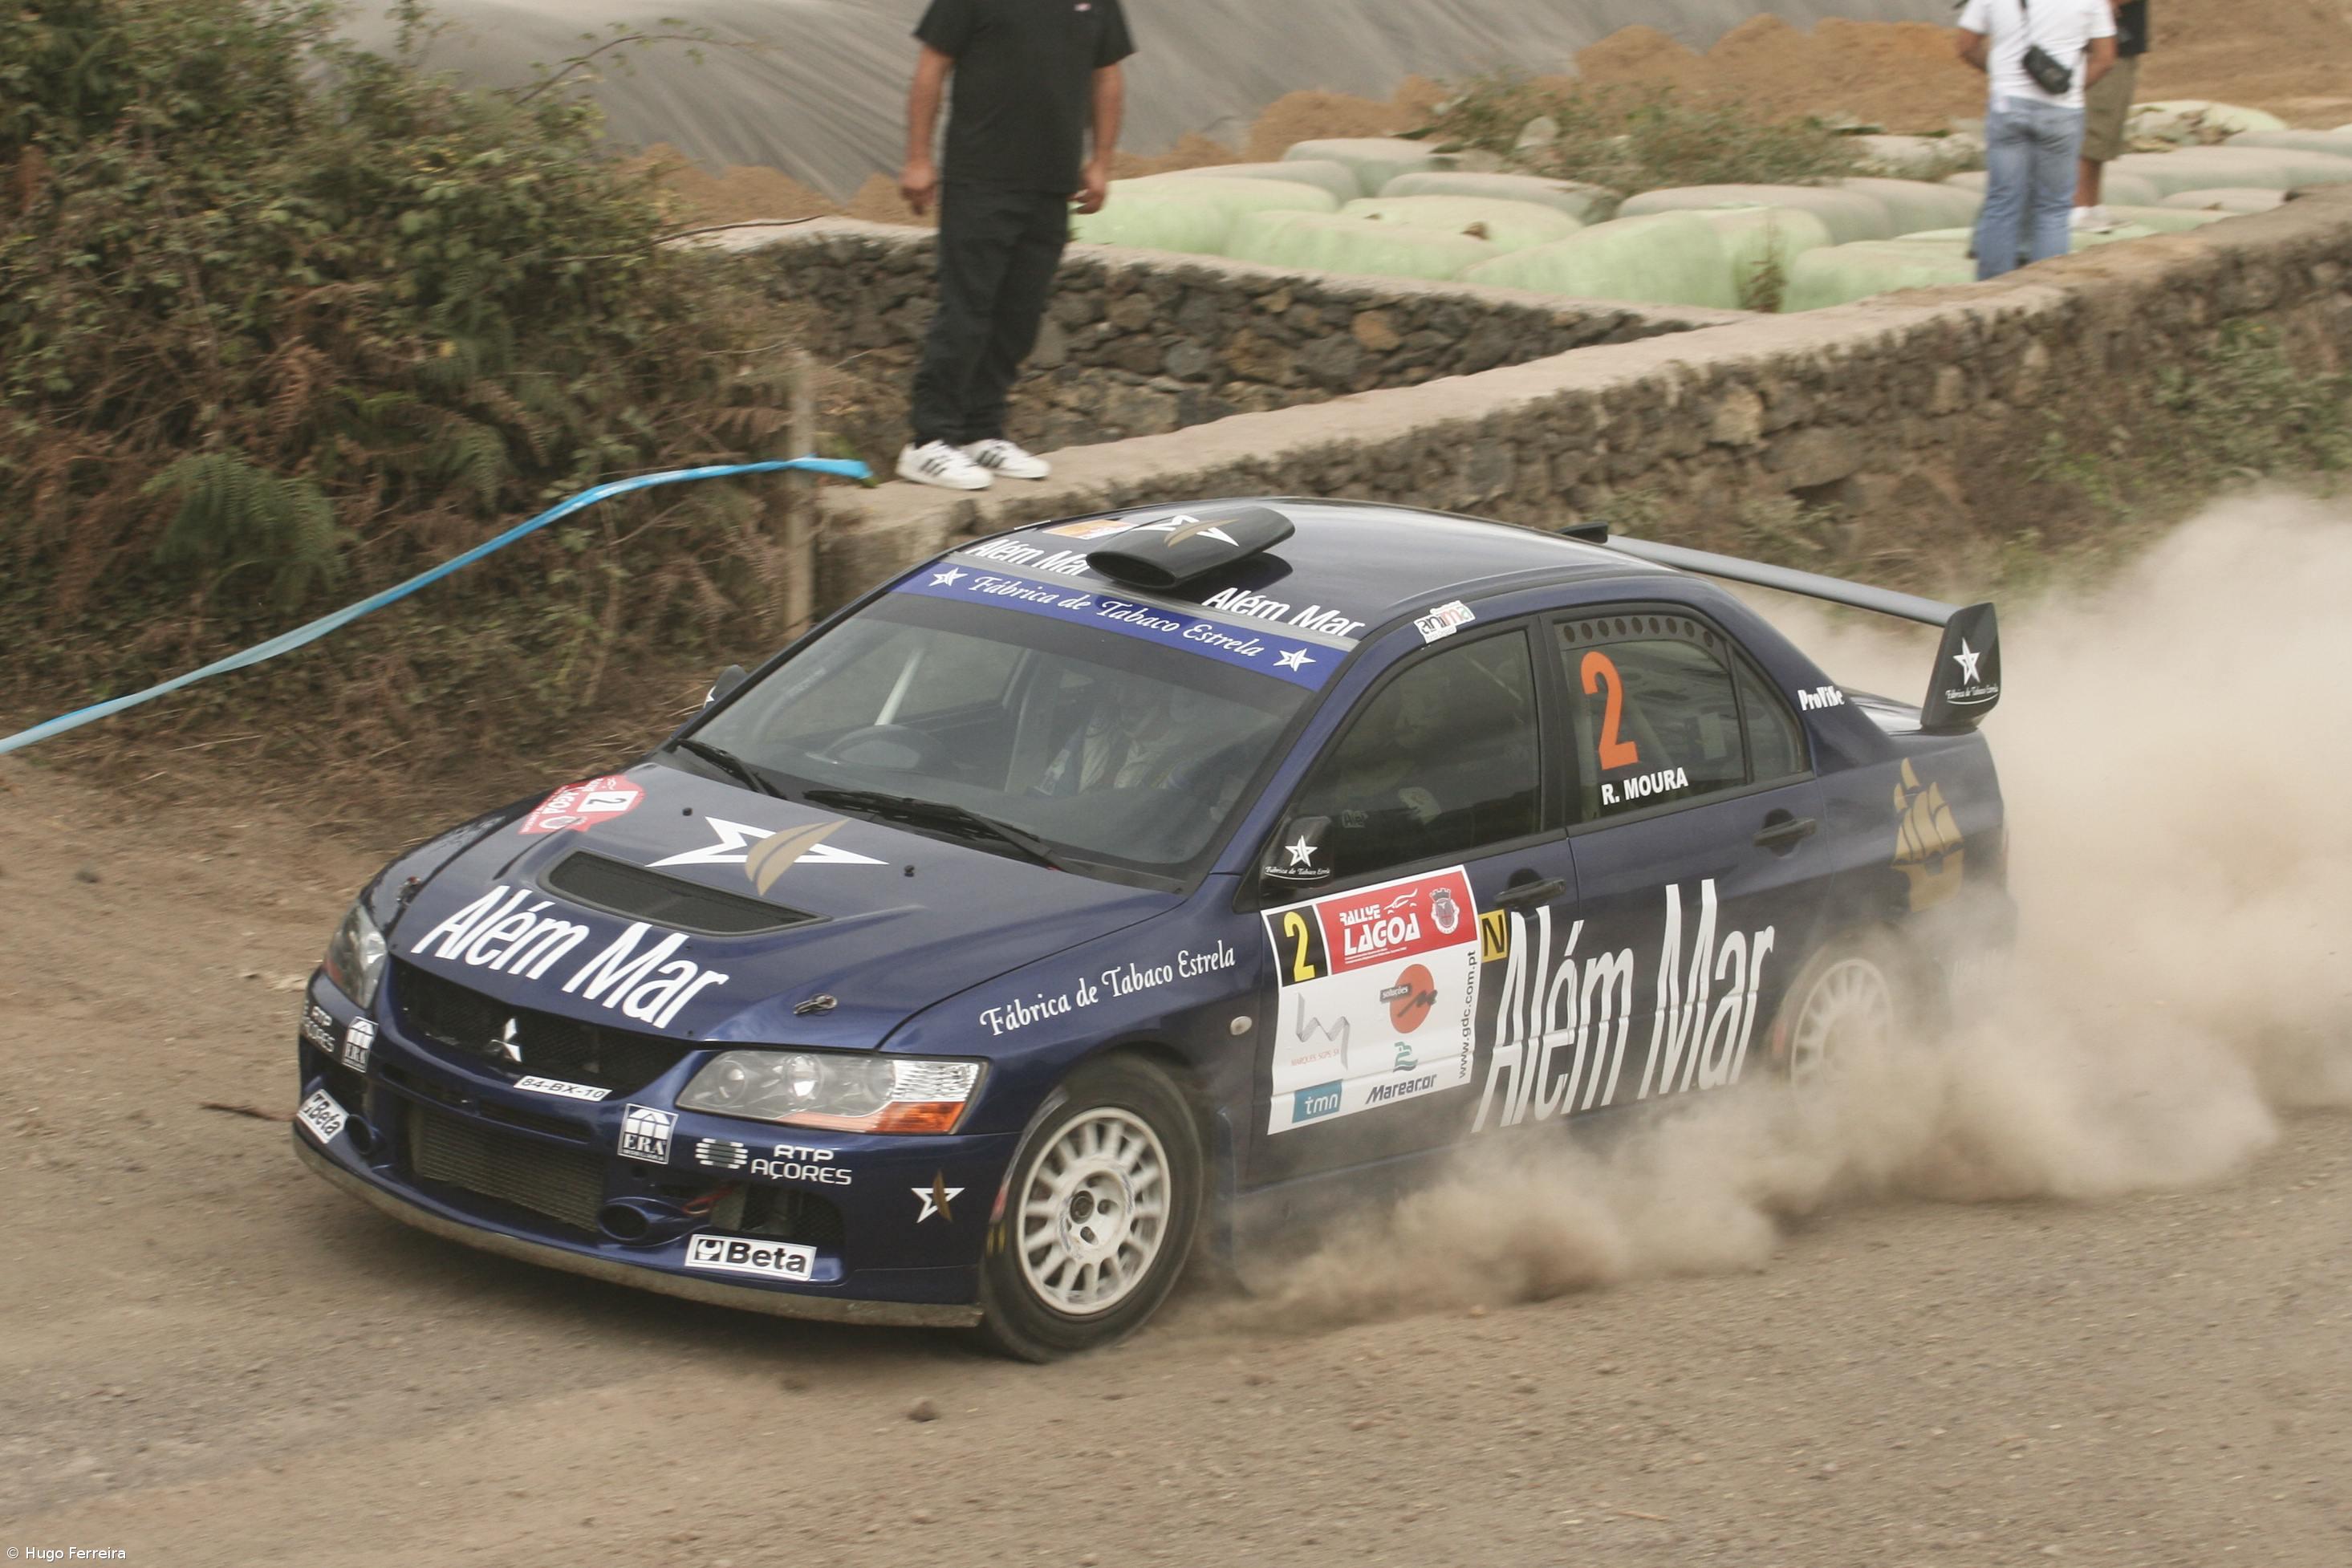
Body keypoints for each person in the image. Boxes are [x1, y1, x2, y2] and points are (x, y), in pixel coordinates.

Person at [896, 0, 1135, 492]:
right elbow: (931, 67)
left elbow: (1107, 75)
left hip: (1052, 185)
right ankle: (929, 441)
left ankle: (982, 431)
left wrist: (1101, 163)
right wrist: (919, 159)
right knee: (967, 311)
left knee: (1018, 315)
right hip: (980, 179)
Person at [1957, 0, 2118, 279]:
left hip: (2008, 105)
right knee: (2053, 209)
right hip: (2062, 111)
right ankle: (2043, 295)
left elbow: (1967, 45)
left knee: (2002, 202)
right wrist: (2069, 88)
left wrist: (2001, 75)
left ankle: (1990, 293)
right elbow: (2105, 58)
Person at [2073, 2, 2150, 231]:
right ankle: (2077, 208)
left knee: (2105, 132)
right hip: (2100, 47)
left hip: (2119, 43)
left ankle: (2092, 205)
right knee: (2092, 129)